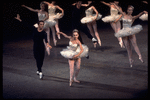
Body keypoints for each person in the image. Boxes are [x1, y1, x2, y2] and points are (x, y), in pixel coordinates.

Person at [15, 14, 52, 79]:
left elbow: (46, 40)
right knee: (37, 59)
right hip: (35, 47)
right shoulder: (34, 29)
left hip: (41, 47)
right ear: (38, 25)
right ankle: (40, 72)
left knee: (41, 60)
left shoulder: (44, 33)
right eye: (41, 24)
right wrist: (20, 20)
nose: (42, 25)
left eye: (43, 24)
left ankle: (38, 70)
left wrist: (48, 44)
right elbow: (26, 25)